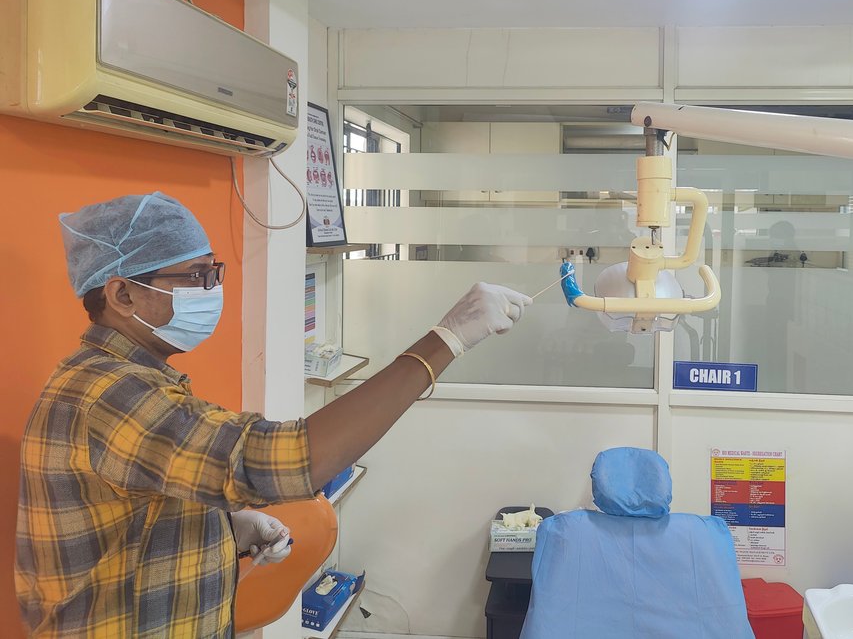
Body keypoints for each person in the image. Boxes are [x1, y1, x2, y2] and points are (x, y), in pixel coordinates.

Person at [16, 191, 531, 638]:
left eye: (212, 272)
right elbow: (287, 460)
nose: (211, 289)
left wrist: (224, 529)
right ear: (122, 294)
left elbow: (140, 506)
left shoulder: (132, 378)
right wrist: (445, 340)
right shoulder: (111, 395)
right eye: (194, 276)